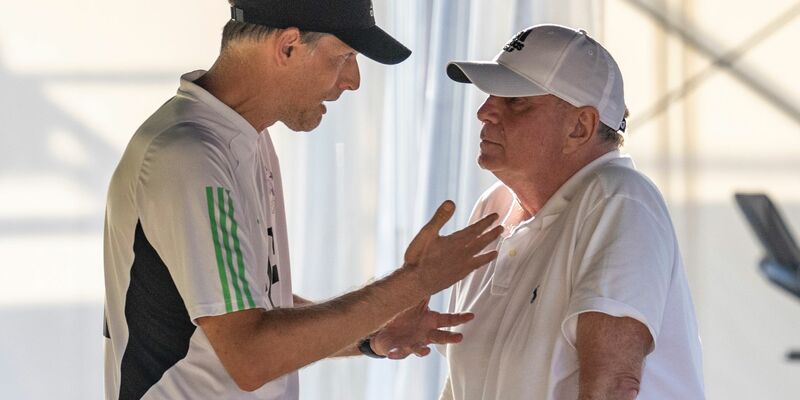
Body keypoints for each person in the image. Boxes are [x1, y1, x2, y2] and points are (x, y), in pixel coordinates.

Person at [102, 0, 503, 399]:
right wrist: (416, 280)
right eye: (344, 56)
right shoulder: (190, 155)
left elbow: (249, 304)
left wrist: (371, 333)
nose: (354, 80)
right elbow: (250, 355)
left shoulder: (243, 138)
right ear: (288, 46)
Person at [438, 24, 705, 400]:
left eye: (516, 101)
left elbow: (612, 386)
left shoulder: (619, 199)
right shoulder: (492, 209)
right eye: (490, 97)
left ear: (580, 127)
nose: (485, 112)